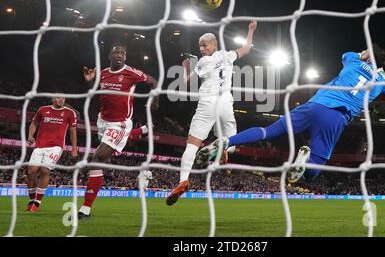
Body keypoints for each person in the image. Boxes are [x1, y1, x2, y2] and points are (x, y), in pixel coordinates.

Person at [197, 44, 385, 183]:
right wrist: (379, 71)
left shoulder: (352, 60)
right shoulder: (381, 80)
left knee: (271, 130)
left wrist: (363, 56)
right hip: (336, 117)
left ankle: (228, 141)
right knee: (314, 171)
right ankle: (305, 162)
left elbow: (346, 54)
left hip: (315, 105)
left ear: (367, 55)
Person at [166, 21, 258, 206]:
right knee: (232, 142)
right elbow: (247, 48)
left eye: (205, 45)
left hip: (207, 103)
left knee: (191, 144)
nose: (201, 48)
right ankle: (221, 149)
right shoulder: (228, 55)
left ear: (214, 44)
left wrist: (185, 69)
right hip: (226, 104)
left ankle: (183, 180)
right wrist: (250, 30)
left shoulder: (203, 62)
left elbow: (188, 85)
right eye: (200, 45)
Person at [77, 43, 158, 219]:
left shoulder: (132, 73)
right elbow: (92, 94)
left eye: (122, 52)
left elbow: (153, 82)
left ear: (125, 57)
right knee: (104, 157)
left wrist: (154, 100)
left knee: (97, 159)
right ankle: (143, 131)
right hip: (103, 120)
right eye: (116, 52)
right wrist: (89, 81)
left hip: (120, 123)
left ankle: (85, 209)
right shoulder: (103, 73)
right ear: (110, 56)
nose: (119, 54)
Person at [27, 94, 78, 212]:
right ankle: (31, 199)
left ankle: (38, 202)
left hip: (56, 146)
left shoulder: (70, 113)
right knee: (31, 172)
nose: (61, 100)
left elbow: (73, 131)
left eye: (63, 98)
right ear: (52, 99)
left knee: (45, 170)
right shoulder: (43, 110)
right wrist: (30, 136)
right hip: (39, 145)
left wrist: (74, 148)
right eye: (58, 97)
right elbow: (34, 123)